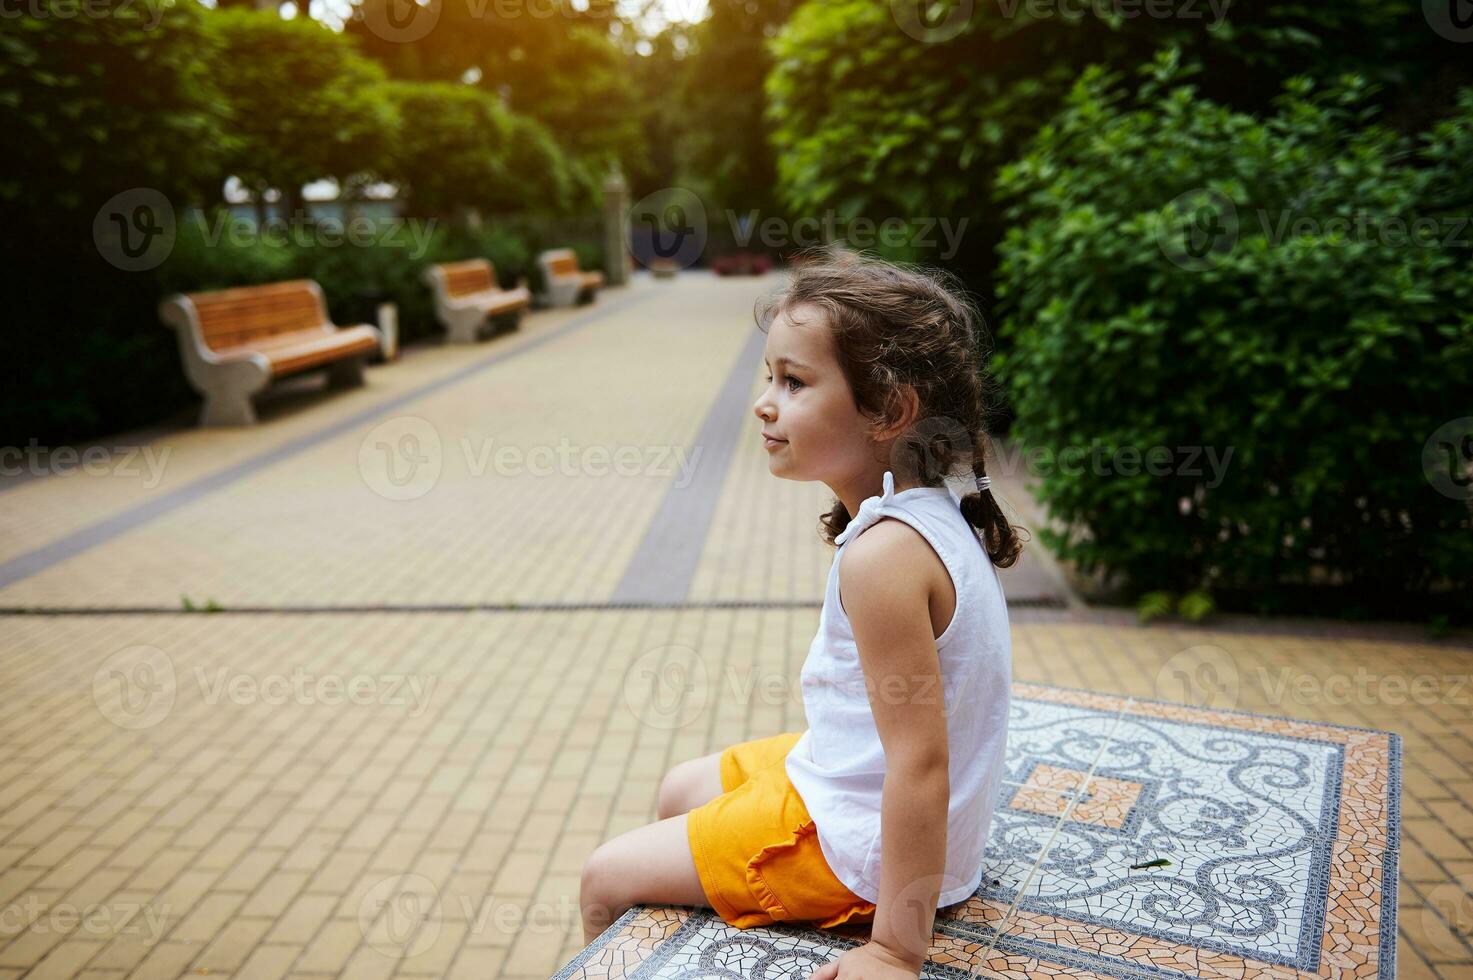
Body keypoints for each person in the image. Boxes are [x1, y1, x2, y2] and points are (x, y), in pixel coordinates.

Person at [580, 246, 1023, 979]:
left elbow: (920, 760)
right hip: (852, 779)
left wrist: (893, 949)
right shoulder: (925, 510)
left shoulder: (883, 557)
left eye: (793, 382)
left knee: (604, 877)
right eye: (768, 377)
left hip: (860, 847)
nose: (764, 402)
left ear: (888, 410)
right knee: (679, 789)